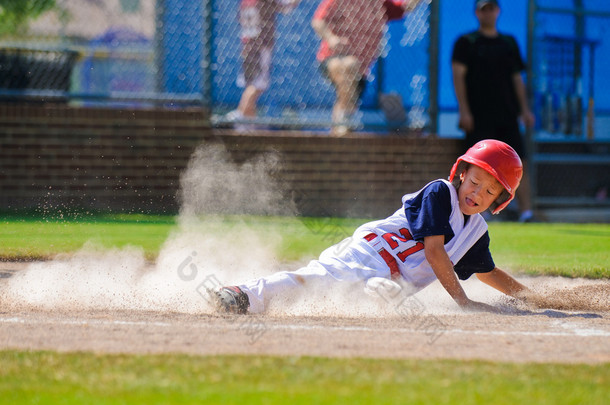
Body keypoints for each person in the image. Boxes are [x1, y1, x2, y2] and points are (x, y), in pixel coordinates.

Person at [215, 139, 540, 315]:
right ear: (462, 173)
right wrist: (463, 301)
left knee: (364, 302)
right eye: (475, 181)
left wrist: (531, 297)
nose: (477, 193)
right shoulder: (440, 192)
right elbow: (434, 251)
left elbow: (486, 272)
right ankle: (243, 294)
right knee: (319, 281)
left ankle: (377, 294)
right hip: (369, 254)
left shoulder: (476, 232)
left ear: (500, 200)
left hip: (391, 278)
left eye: (489, 191)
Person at [451, 0, 537, 222]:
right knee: (476, 166)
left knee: (520, 162)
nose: (488, 13)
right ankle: (471, 212)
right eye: (483, 9)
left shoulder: (508, 43)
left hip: (507, 115)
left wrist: (525, 110)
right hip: (479, 116)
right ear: (477, 12)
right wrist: (464, 111)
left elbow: (517, 79)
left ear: (498, 11)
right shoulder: (466, 42)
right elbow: (458, 77)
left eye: (491, 8)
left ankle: (526, 212)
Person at [311, 0, 423, 136]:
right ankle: (344, 122)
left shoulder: (380, 3)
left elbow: (406, 7)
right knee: (347, 66)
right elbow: (318, 21)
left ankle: (341, 126)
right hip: (333, 57)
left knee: (348, 85)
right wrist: (331, 38)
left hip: (361, 69)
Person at [226, 0, 300, 131]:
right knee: (258, 86)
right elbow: (286, 7)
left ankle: (250, 123)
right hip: (260, 47)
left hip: (247, 46)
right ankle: (240, 116)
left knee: (251, 84)